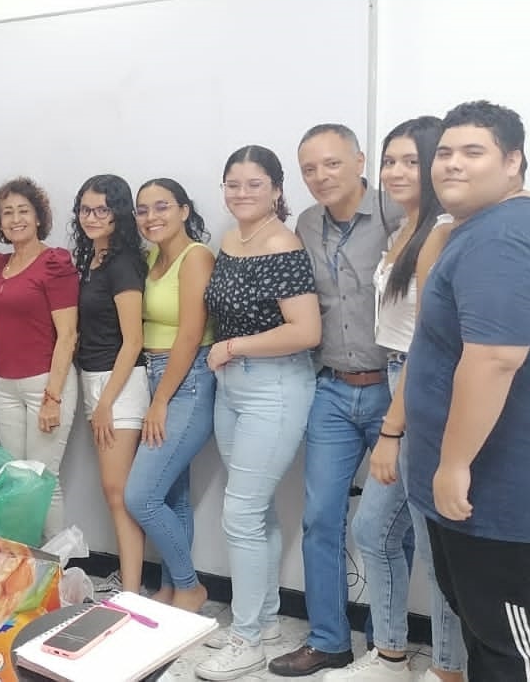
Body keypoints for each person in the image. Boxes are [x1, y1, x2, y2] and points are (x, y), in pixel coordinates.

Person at [409, 100, 530, 681]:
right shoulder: (478, 228)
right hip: (476, 476)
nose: (451, 164)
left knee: (511, 638)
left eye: (472, 152)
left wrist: (455, 463)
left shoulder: (505, 238)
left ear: (514, 162)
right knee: (483, 622)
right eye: (445, 153)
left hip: (498, 477)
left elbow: (495, 361)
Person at [327, 118, 465, 682]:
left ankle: (450, 669)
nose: (396, 172)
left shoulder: (443, 230)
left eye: (411, 160)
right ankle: (389, 655)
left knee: (436, 552)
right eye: (390, 161)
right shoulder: (407, 227)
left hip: (422, 389)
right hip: (398, 376)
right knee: (374, 531)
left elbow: (426, 344)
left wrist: (393, 430)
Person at [271, 123, 405, 678]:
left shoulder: (398, 212)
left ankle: (385, 642)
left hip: (392, 393)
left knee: (388, 527)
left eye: (331, 163)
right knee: (321, 520)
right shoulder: (305, 223)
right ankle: (329, 640)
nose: (320, 177)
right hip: (330, 389)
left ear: (358, 159)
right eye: (308, 169)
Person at [195, 146, 320, 681]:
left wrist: (235, 347)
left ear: (276, 189)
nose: (241, 193)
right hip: (232, 389)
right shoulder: (229, 241)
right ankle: (266, 621)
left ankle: (245, 641)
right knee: (256, 510)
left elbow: (305, 331)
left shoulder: (283, 244)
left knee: (241, 515)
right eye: (232, 183)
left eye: (254, 184)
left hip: (276, 387)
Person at [132, 177, 215, 612]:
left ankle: (190, 586)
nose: (151, 217)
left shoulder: (195, 256)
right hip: (154, 375)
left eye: (161, 207)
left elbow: (190, 333)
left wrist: (160, 400)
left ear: (184, 210)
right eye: (143, 210)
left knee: (140, 496)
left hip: (188, 380)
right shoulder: (150, 258)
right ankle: (169, 589)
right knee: (170, 494)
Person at [0, 176, 77, 539]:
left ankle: (58, 571)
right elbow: (9, 320)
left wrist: (53, 397)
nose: (15, 218)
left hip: (45, 385)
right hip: (4, 385)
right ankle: (26, 570)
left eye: (24, 211)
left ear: (39, 217)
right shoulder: (3, 265)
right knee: (18, 480)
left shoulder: (54, 263)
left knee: (42, 480)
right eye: (7, 213)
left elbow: (68, 334)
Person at [69, 174, 149, 594]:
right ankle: (129, 579)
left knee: (118, 492)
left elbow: (133, 340)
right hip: (95, 380)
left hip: (119, 385)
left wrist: (105, 403)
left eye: (102, 209)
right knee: (113, 490)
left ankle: (133, 593)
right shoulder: (92, 259)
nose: (92, 217)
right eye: (85, 209)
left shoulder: (122, 263)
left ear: (119, 213)